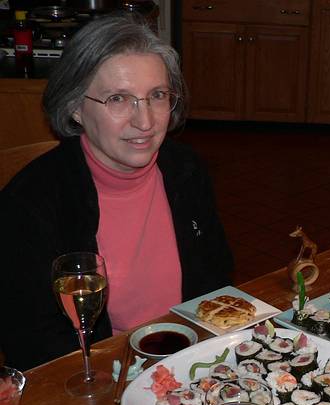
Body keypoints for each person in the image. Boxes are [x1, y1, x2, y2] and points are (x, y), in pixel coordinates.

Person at [0, 13, 233, 371]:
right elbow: (31, 341)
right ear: (75, 107)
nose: (146, 122)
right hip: (99, 374)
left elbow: (216, 281)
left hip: (190, 359)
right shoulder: (30, 202)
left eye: (157, 95)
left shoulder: (186, 170)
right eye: (118, 99)